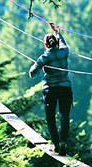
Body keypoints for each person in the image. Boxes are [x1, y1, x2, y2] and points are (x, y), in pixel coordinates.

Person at [29, 23, 73, 156]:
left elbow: (32, 73)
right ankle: (63, 142)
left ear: (46, 45)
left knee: (50, 118)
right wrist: (57, 32)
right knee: (64, 117)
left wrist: (37, 66)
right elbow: (63, 43)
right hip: (65, 88)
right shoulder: (64, 52)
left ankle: (56, 145)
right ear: (55, 44)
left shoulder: (44, 57)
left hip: (51, 91)